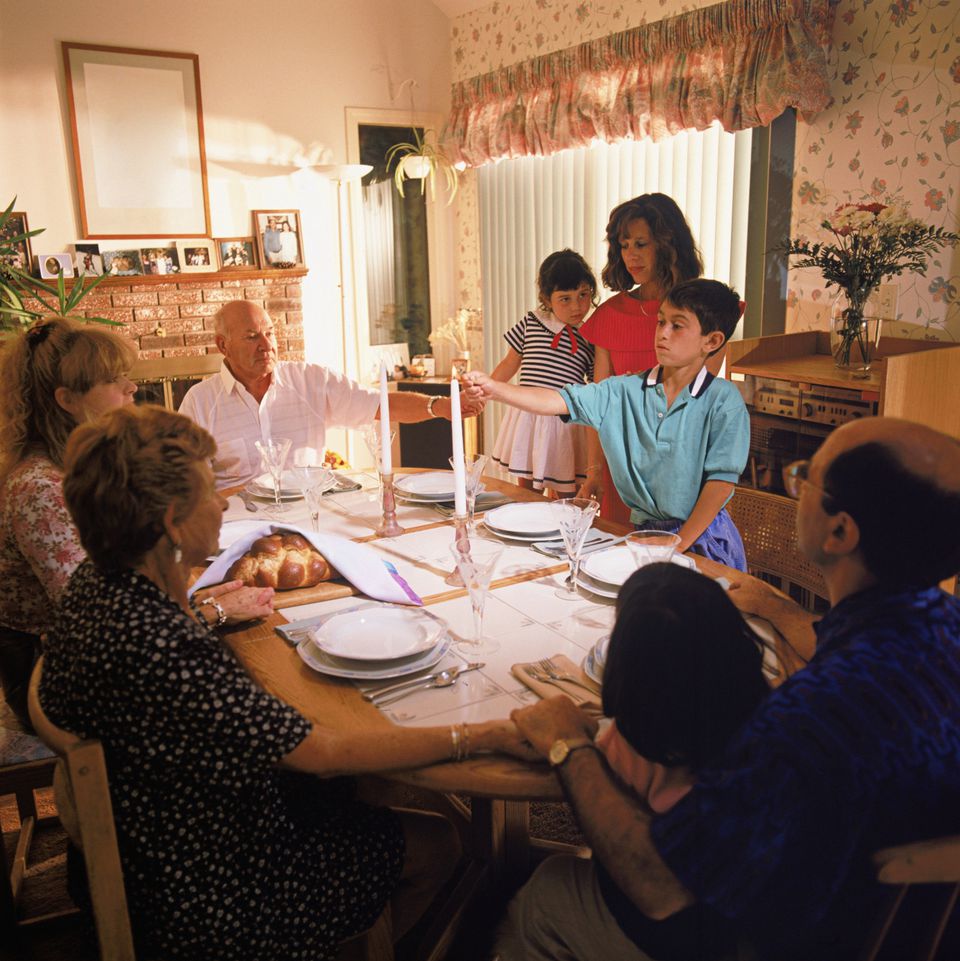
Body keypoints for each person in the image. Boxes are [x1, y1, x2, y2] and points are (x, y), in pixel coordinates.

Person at [39, 404, 538, 961]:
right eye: (211, 490)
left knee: (366, 783)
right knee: (437, 840)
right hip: (210, 892)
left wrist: (207, 613)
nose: (224, 501)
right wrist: (484, 734)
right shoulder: (165, 648)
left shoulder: (100, 583)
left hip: (151, 841)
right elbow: (323, 752)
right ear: (172, 520)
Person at [497, 416, 960, 961]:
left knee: (546, 893)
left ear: (840, 531)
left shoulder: (808, 719)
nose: (797, 483)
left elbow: (661, 888)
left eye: (807, 475)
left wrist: (565, 743)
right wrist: (772, 605)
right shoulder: (941, 624)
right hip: (912, 917)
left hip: (777, 934)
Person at [0, 318, 273, 729]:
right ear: (67, 399)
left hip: (100, 654)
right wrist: (212, 611)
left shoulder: (79, 464)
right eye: (114, 380)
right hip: (57, 676)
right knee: (254, 694)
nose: (131, 388)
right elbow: (105, 628)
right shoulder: (40, 488)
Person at [467, 279, 749, 568]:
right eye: (660, 321)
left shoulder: (724, 401)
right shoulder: (623, 391)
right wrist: (495, 388)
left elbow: (720, 484)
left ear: (712, 341)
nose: (662, 333)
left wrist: (678, 543)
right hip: (645, 535)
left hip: (705, 541)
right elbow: (556, 399)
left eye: (677, 326)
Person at [179, 300, 485, 489]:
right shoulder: (200, 402)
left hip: (308, 514)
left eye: (270, 332)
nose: (266, 344)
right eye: (251, 337)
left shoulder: (311, 380)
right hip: (239, 524)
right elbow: (189, 483)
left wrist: (442, 406)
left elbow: (379, 404)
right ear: (223, 346)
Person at [577, 194, 703, 522]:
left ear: (667, 244)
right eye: (624, 245)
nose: (630, 255)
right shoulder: (610, 315)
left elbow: (702, 404)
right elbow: (597, 404)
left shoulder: (700, 311)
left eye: (641, 244)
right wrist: (594, 471)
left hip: (679, 473)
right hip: (622, 470)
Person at [490, 249, 597, 495]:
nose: (577, 306)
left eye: (583, 295)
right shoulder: (532, 322)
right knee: (527, 494)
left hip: (565, 423)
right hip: (528, 416)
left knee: (567, 494)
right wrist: (487, 389)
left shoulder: (590, 336)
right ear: (547, 299)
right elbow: (510, 362)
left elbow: (595, 384)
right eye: (565, 299)